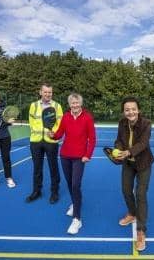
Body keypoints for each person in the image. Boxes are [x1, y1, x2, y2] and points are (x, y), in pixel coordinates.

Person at [49, 93, 96, 235]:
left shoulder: (87, 117)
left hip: (79, 158)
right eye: (72, 103)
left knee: (76, 184)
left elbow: (92, 139)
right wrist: (53, 135)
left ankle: (77, 219)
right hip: (65, 155)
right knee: (69, 183)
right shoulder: (66, 116)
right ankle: (75, 203)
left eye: (77, 103)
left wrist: (88, 155)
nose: (75, 105)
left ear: (80, 103)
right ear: (69, 104)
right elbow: (59, 134)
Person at [114, 96, 154, 252]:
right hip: (128, 163)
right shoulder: (122, 123)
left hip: (143, 163)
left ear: (138, 110)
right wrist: (117, 150)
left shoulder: (146, 124)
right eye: (127, 109)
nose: (130, 112)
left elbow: (143, 144)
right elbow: (118, 140)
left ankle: (141, 231)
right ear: (124, 112)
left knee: (141, 194)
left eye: (133, 109)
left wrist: (128, 152)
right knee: (125, 190)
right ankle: (132, 213)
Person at [26, 83, 63, 204]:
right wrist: (37, 133)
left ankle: (55, 191)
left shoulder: (57, 106)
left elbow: (60, 123)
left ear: (52, 93)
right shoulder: (33, 105)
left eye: (50, 92)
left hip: (51, 141)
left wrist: (53, 133)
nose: (48, 94)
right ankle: (36, 191)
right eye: (45, 92)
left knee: (53, 167)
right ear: (40, 92)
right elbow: (31, 121)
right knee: (37, 168)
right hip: (36, 141)